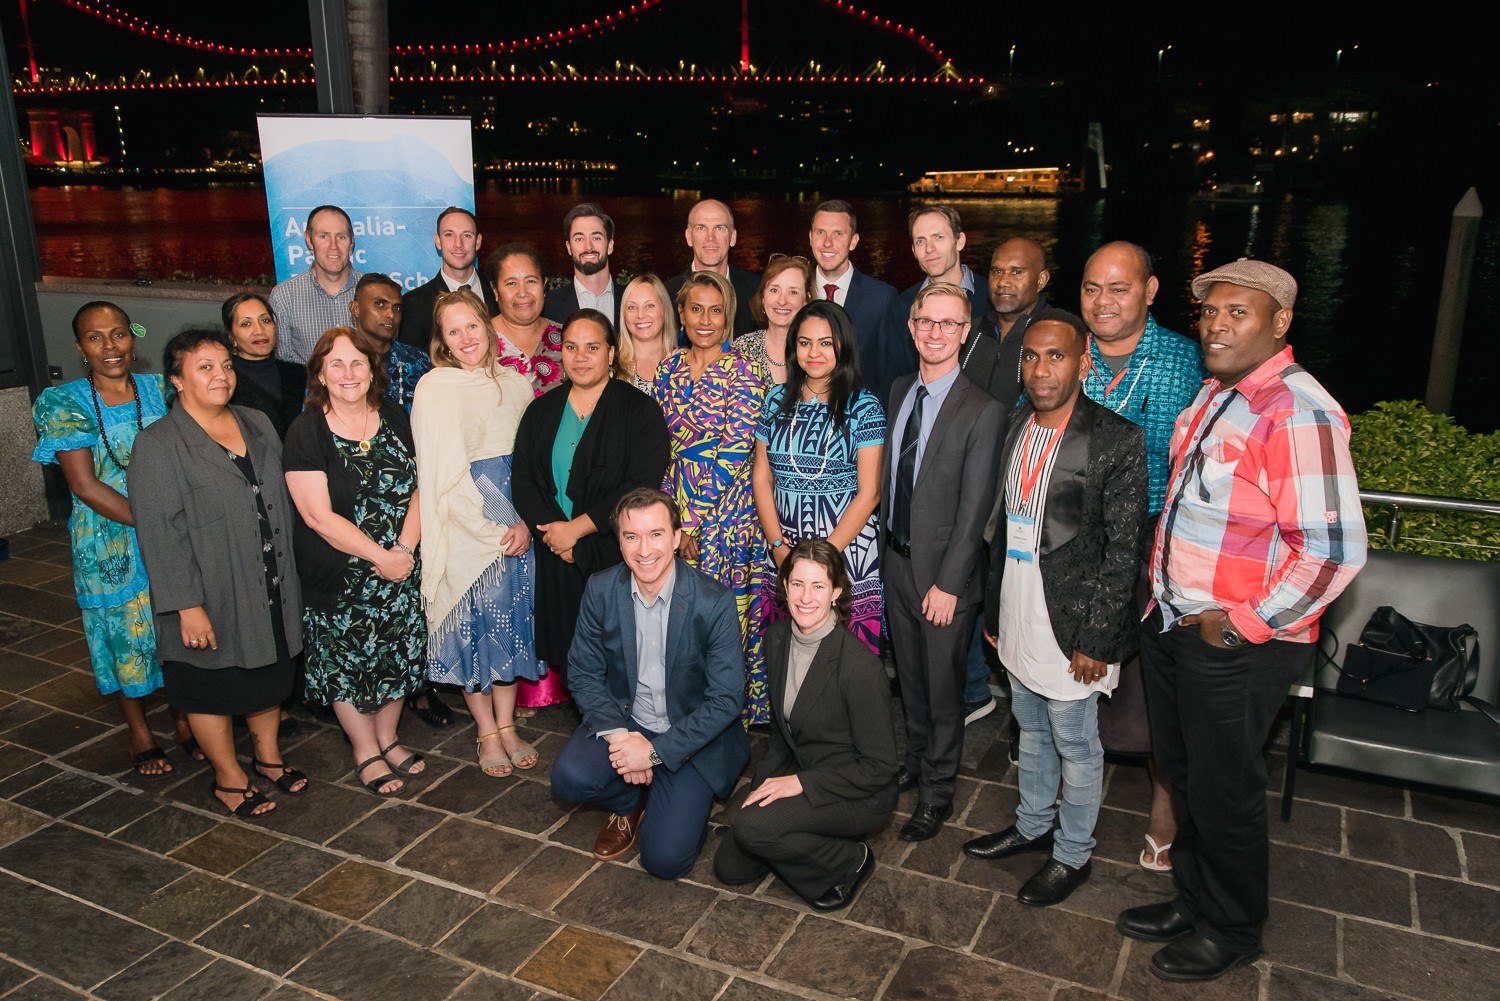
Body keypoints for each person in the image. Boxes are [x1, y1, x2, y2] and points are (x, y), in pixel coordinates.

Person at [1118, 259, 1366, 982]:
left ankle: (1231, 926)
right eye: (1211, 312)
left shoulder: (1299, 410)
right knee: (1190, 775)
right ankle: (1194, 898)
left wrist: (1246, 623)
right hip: (1176, 622)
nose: (1216, 325)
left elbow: (1334, 551)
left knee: (1224, 787)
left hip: (1234, 642)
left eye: (1237, 313)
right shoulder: (1217, 394)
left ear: (1280, 322)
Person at [963, 320, 1148, 907]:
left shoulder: (1115, 439)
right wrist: (995, 606)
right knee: (1030, 725)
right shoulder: (1018, 422)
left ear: (1082, 360)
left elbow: (1124, 554)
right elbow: (999, 527)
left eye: (1056, 357)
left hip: (1075, 619)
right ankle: (1032, 824)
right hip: (1019, 602)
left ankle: (1072, 853)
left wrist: (1098, 637)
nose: (1042, 370)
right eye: (1032, 358)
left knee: (1075, 739)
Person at [129, 329, 306, 817]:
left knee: (270, 674)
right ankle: (228, 778)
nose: (221, 375)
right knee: (211, 685)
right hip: (208, 588)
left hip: (269, 579)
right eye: (204, 367)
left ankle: (267, 759)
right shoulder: (159, 444)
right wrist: (187, 606)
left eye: (226, 365)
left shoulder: (256, 422)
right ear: (176, 380)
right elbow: (159, 533)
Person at [1079, 241, 1207, 876]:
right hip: (1074, 543)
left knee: (1152, 693)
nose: (1104, 302)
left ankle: (1164, 801)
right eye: (1092, 288)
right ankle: (1071, 796)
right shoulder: (1064, 351)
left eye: (1119, 288)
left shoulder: (1185, 361)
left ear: (1150, 291)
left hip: (1150, 545)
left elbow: (1182, 468)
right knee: (1069, 678)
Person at [550, 488, 749, 879]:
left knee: (664, 861)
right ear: (619, 541)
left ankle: (663, 790)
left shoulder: (714, 602)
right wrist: (623, 741)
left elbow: (726, 699)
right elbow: (584, 673)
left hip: (689, 737)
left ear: (676, 539)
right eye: (631, 536)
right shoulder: (601, 589)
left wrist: (655, 754)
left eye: (656, 534)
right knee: (567, 780)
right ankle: (628, 801)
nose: (644, 550)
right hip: (628, 722)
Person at [31, 301, 186, 776]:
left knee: (178, 623)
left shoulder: (158, 389)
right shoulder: (62, 403)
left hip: (168, 523)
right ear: (79, 347)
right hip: (109, 538)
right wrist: (156, 525)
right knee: (123, 633)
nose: (110, 347)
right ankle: (138, 729)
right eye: (95, 338)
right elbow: (85, 485)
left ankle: (185, 718)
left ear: (133, 337)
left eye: (118, 334)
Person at [881, 283, 1004, 842]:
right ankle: (915, 762)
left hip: (943, 581)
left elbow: (977, 507)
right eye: (926, 321)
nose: (935, 332)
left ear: (966, 333)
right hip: (897, 564)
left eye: (948, 324)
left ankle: (937, 792)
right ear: (912, 327)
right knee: (910, 681)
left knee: (944, 689)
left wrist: (950, 583)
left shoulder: (984, 410)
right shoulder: (900, 390)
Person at [714, 540, 897, 910]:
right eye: (797, 584)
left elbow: (880, 768)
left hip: (857, 791)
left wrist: (797, 784)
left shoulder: (859, 667)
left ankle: (849, 860)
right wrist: (759, 790)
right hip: (806, 768)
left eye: (818, 586)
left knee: (752, 830)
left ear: (837, 592)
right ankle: (788, 840)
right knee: (731, 866)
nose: (805, 597)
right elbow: (783, 737)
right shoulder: (777, 639)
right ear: (784, 587)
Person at [283, 327, 427, 797]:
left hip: (402, 568)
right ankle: (364, 749)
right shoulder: (306, 430)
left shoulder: (394, 416)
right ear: (321, 373)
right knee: (347, 663)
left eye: (358, 363)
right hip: (342, 574)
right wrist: (378, 557)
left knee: (397, 653)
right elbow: (317, 516)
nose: (348, 373)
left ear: (372, 370)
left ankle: (388, 738)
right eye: (337, 364)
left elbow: (422, 485)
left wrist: (403, 552)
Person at [412, 289, 545, 777]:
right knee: (473, 631)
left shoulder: (516, 384)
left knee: (510, 628)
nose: (466, 338)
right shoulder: (435, 387)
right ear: (442, 341)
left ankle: (508, 724)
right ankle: (486, 732)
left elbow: (532, 464)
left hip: (519, 526)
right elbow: (442, 472)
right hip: (469, 526)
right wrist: (494, 524)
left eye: (472, 325)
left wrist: (525, 520)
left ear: (488, 327)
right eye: (454, 331)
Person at [512, 310, 671, 707]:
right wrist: (554, 535)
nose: (580, 357)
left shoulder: (640, 411)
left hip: (612, 552)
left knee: (621, 652)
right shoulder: (540, 411)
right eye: (571, 347)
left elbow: (640, 484)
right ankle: (591, 722)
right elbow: (523, 480)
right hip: (556, 554)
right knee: (571, 652)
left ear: (612, 353)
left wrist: (578, 529)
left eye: (592, 347)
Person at [653, 271, 769, 723]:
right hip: (677, 504)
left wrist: (690, 521)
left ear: (728, 317)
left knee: (726, 619)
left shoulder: (745, 369)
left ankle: (727, 713)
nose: (705, 319)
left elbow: (736, 450)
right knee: (679, 618)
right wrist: (670, 514)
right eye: (695, 309)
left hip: (729, 515)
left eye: (715, 310)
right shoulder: (668, 368)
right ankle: (683, 707)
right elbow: (662, 447)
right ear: (680, 315)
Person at [752, 300, 885, 653]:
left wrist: (822, 558)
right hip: (784, 552)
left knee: (844, 669)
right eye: (805, 342)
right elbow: (762, 478)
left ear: (843, 345)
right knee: (785, 662)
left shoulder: (864, 405)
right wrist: (780, 548)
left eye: (826, 343)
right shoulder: (775, 400)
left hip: (845, 555)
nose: (814, 352)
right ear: (793, 346)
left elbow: (870, 492)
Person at [346, 273, 448, 729]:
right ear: (356, 309)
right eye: (379, 305)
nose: (389, 315)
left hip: (420, 493)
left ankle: (419, 688)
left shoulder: (416, 361)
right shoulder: (340, 360)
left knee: (417, 597)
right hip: (362, 500)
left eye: (396, 308)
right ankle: (361, 692)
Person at [877, 205, 989, 406]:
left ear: (959, 241)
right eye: (921, 241)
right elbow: (893, 377)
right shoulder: (903, 305)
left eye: (938, 237)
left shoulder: (990, 299)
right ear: (913, 250)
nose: (929, 249)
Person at [963, 238, 1085, 408]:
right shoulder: (967, 332)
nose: (1003, 282)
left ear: (1041, 280)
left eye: (1016, 272)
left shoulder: (1061, 338)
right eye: (997, 272)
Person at [807, 200, 896, 390]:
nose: (827, 242)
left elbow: (885, 375)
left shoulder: (881, 298)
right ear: (810, 237)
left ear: (853, 241)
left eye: (838, 234)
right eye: (820, 232)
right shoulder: (795, 292)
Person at [269, 205, 363, 364]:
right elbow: (284, 364)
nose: (333, 246)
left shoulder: (371, 291)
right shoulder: (284, 296)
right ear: (309, 240)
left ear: (352, 241)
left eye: (341, 237)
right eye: (324, 236)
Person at [397, 205, 498, 351]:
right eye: (449, 235)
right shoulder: (413, 305)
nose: (458, 244)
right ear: (438, 241)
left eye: (467, 235)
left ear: (478, 241)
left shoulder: (498, 292)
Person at [664, 199, 761, 337]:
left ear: (733, 237)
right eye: (701, 228)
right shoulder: (666, 295)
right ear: (689, 237)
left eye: (719, 228)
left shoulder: (757, 290)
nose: (710, 238)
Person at [223, 292, 307, 439]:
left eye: (265, 320)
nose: (259, 331)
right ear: (232, 337)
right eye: (246, 324)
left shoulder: (299, 374)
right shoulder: (225, 380)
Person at [486, 243, 565, 397]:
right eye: (511, 283)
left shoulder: (567, 338)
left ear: (544, 285)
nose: (522, 292)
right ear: (495, 291)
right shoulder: (478, 342)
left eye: (531, 281)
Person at [734, 255, 815, 389]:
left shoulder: (818, 351)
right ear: (763, 297)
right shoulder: (742, 349)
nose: (782, 301)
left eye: (793, 292)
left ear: (806, 299)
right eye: (774, 290)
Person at [543, 202, 624, 331]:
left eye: (596, 238)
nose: (588, 247)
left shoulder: (630, 300)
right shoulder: (549, 306)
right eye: (579, 239)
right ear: (569, 247)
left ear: (610, 245)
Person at [615, 275, 677, 393]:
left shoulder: (685, 363)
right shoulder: (612, 368)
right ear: (624, 315)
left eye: (649, 306)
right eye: (632, 307)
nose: (640, 315)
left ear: (664, 309)